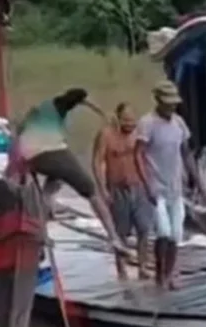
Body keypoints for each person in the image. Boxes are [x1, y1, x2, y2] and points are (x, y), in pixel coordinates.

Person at [12, 88, 130, 257]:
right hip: (52, 150)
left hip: (30, 156)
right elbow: (80, 96)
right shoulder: (59, 104)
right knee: (91, 191)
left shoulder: (37, 111)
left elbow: (18, 130)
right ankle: (114, 238)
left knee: (50, 188)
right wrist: (103, 113)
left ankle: (41, 236)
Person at [135, 80, 206, 290]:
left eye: (174, 103)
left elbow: (186, 154)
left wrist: (199, 182)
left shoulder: (179, 123)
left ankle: (169, 273)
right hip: (156, 187)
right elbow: (138, 155)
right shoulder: (147, 123)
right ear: (159, 101)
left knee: (176, 234)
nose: (172, 107)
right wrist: (146, 184)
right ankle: (160, 274)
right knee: (163, 232)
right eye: (168, 103)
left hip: (175, 187)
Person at [93, 102, 153, 280]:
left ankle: (143, 267)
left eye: (132, 120)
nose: (129, 124)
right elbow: (97, 162)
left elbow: (148, 157)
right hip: (117, 189)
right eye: (125, 120)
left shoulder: (139, 133)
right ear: (117, 119)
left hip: (139, 187)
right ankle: (122, 270)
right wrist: (102, 188)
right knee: (121, 232)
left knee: (144, 228)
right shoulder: (106, 135)